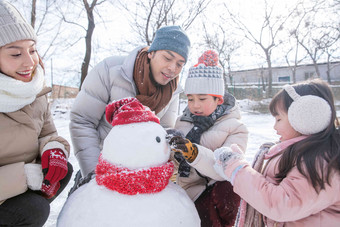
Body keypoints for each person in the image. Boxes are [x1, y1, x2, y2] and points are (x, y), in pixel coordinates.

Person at [69, 25, 191, 183]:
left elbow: (162, 132)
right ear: (151, 53)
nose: (172, 68)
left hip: (141, 173)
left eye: (180, 64)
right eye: (167, 58)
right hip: (102, 163)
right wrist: (95, 173)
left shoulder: (173, 91)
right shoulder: (110, 70)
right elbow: (82, 120)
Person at [214, 79, 340, 227]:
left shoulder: (321, 163)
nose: (274, 127)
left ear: (306, 117)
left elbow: (280, 204)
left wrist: (237, 169)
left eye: (279, 119)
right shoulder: (302, 153)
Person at [0, 1, 73, 226]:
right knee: (33, 210)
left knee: (62, 170)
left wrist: (54, 149)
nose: (30, 61)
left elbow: (47, 132)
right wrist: (24, 176)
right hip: (9, 183)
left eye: (32, 50)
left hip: (14, 187)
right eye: (15, 54)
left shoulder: (35, 89)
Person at [168, 50, 249, 227]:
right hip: (185, 192)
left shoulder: (236, 128)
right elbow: (171, 162)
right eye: (190, 99)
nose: (195, 105)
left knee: (229, 189)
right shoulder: (182, 122)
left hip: (215, 194)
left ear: (218, 99)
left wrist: (194, 153)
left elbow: (226, 169)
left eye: (202, 98)